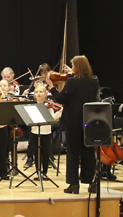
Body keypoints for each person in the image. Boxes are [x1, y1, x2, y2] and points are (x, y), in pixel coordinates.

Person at [44, 55, 99, 194]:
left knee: (73, 153)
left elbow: (62, 98)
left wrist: (52, 87)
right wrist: (72, 72)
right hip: (89, 120)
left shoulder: (72, 82)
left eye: (73, 65)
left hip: (73, 122)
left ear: (78, 67)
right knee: (88, 152)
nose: (71, 68)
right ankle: (90, 183)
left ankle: (74, 184)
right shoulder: (94, 80)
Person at [28, 85, 61, 178]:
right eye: (37, 92)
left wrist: (59, 113)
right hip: (35, 132)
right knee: (36, 152)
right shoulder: (32, 106)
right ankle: (38, 172)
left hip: (46, 132)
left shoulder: (49, 106)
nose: (39, 94)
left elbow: (52, 119)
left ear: (45, 94)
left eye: (41, 92)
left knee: (45, 152)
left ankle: (44, 173)